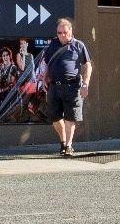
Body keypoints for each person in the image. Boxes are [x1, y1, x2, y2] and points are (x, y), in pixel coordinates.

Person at [38, 16, 92, 156]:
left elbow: (87, 65)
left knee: (70, 117)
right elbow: (47, 63)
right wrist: (44, 78)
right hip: (54, 87)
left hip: (72, 86)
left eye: (65, 32)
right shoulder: (52, 45)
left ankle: (68, 145)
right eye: (59, 33)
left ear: (71, 31)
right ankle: (63, 142)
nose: (62, 35)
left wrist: (85, 84)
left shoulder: (78, 45)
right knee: (55, 117)